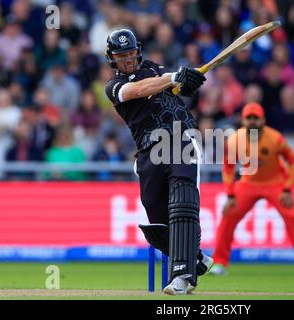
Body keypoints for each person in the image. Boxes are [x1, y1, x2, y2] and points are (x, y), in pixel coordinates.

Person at [104, 29, 212, 295]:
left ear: (137, 50)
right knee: (157, 218)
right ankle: (196, 257)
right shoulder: (114, 87)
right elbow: (140, 89)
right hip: (148, 150)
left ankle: (181, 276)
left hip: (180, 137)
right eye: (121, 56)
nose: (128, 59)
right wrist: (172, 78)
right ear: (112, 59)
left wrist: (187, 81)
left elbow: (178, 86)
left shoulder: (154, 68)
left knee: (182, 202)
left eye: (130, 53)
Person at [210, 103, 294, 276]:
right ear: (243, 120)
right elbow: (228, 168)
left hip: (275, 183)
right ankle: (219, 262)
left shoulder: (275, 138)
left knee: (293, 216)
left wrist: (288, 189)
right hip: (248, 183)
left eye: (256, 118)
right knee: (228, 214)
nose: (252, 122)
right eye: (249, 118)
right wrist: (230, 194)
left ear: (263, 120)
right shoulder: (235, 140)